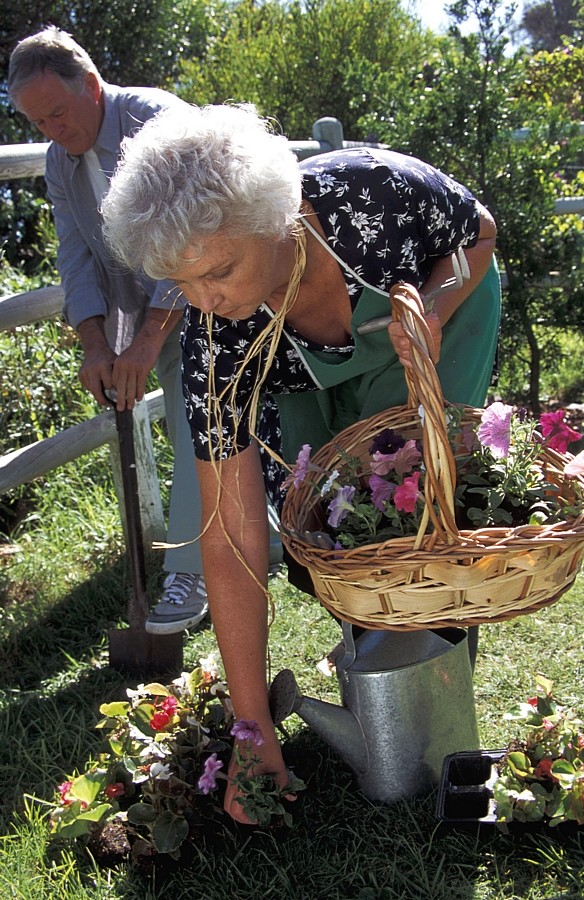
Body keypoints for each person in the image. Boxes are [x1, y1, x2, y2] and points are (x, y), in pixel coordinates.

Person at [100, 103, 501, 822]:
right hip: (309, 368)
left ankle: (436, 686)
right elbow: (229, 537)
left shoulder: (374, 196)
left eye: (218, 271)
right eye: (180, 284)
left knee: (410, 491)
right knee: (318, 520)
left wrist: (433, 303)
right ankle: (381, 664)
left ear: (276, 218)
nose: (206, 303)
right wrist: (251, 729)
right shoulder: (216, 346)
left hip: (439, 319)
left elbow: (480, 233)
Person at [6, 27, 210, 634]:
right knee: (191, 423)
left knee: (195, 417)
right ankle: (248, 535)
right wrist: (96, 344)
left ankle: (191, 572)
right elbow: (75, 258)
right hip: (155, 307)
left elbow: (197, 233)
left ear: (92, 86)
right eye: (37, 122)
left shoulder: (158, 121)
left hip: (219, 289)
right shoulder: (58, 162)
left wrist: (146, 342)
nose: (51, 131)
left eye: (58, 113)